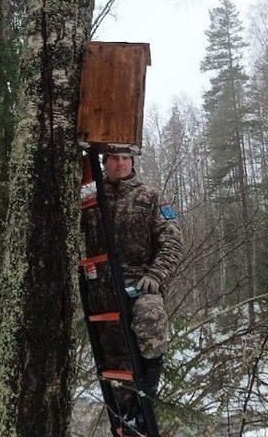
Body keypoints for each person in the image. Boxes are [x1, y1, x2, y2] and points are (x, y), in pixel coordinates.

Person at [81, 152, 183, 427]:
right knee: (116, 366)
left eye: (125, 158)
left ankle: (146, 402)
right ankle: (128, 417)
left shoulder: (149, 197)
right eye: (113, 158)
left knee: (151, 320)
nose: (120, 163)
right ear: (104, 164)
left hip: (138, 283)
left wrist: (156, 275)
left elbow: (172, 240)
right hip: (102, 291)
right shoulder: (90, 200)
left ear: (133, 161)